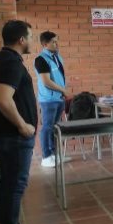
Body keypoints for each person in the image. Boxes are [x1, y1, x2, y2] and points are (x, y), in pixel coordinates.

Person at [0, 20, 39, 224]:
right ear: (21, 39)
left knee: (10, 182)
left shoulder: (7, 59)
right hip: (13, 135)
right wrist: (23, 126)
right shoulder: (10, 62)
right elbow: (3, 100)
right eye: (30, 36)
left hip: (9, 135)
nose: (31, 41)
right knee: (14, 184)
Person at [34, 31, 71, 168]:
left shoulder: (57, 57)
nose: (57, 44)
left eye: (57, 41)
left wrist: (63, 92)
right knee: (47, 128)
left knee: (56, 127)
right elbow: (46, 82)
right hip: (48, 100)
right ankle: (46, 156)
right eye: (53, 42)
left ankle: (55, 155)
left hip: (59, 98)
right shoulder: (41, 59)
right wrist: (63, 90)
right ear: (45, 44)